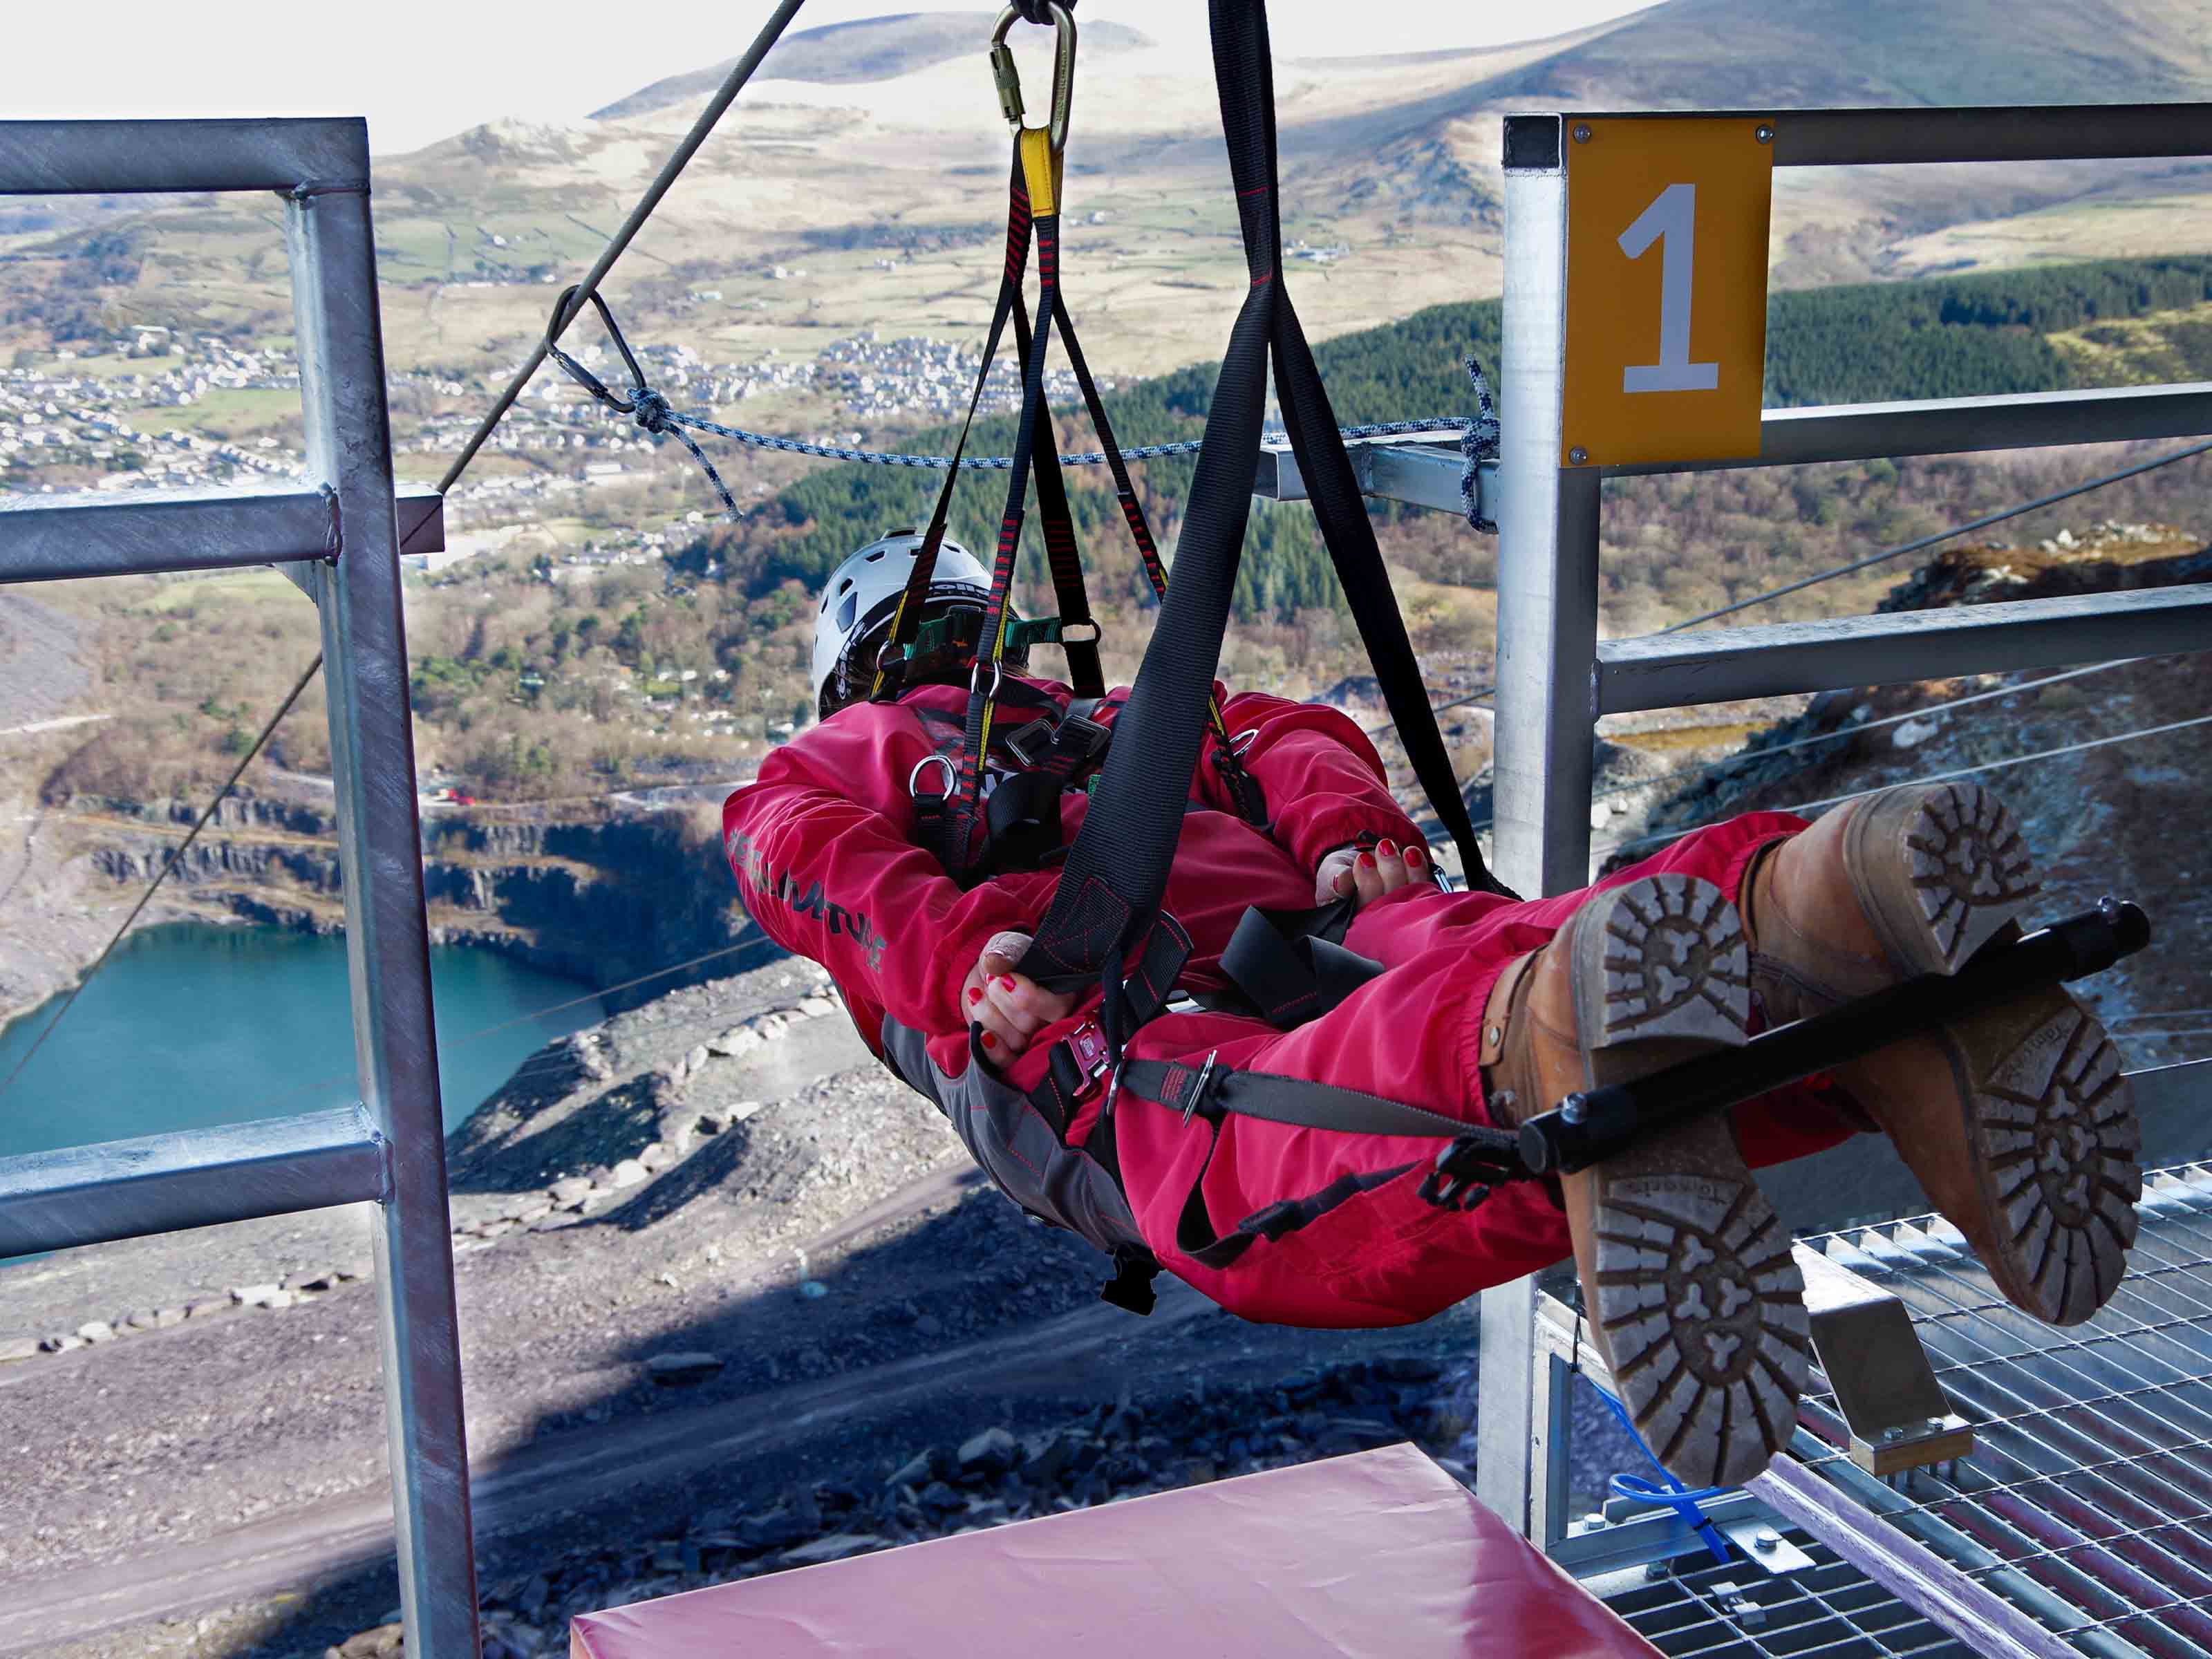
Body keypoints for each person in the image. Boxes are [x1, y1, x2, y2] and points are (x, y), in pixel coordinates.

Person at [723, 531, 2142, 1488]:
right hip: (1314, 919)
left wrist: (978, 951)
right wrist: (1344, 833)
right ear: (994, 628)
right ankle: (1804, 911)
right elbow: (1278, 733)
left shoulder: (836, 756)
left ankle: (1541, 1047)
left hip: (1109, 1008)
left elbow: (796, 856)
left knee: (1241, 1164)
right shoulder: (1131, 721)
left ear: (854, 666)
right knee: (1478, 944)